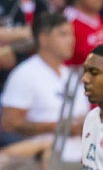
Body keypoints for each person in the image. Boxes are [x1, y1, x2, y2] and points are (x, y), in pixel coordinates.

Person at [0, 11, 90, 162]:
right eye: (63, 34)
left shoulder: (71, 75)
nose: (71, 40)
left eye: (71, 34)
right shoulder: (25, 74)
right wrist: (63, 127)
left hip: (79, 162)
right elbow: (9, 124)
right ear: (43, 38)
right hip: (37, 169)